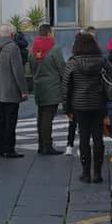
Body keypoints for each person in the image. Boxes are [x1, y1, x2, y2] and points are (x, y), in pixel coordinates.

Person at [62, 32, 112, 183]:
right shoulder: (102, 60)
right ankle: (98, 173)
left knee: (84, 138)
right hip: (98, 103)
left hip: (79, 105)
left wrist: (66, 108)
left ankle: (86, 173)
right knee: (98, 137)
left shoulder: (72, 62)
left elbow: (66, 86)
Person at [0, 25, 28, 159]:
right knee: (10, 121)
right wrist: (23, 90)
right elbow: (18, 70)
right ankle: (9, 149)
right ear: (11, 34)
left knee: (0, 120)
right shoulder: (12, 47)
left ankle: (1, 148)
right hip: (10, 90)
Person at [28, 24, 66, 155]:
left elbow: (31, 68)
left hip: (39, 86)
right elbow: (62, 68)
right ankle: (47, 146)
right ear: (49, 33)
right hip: (52, 87)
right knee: (48, 117)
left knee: (41, 116)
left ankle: (41, 144)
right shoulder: (54, 49)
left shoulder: (32, 48)